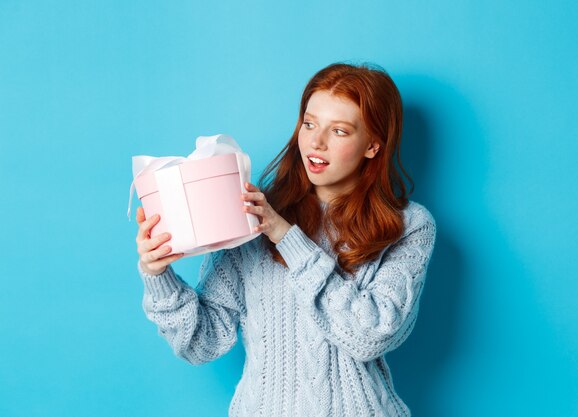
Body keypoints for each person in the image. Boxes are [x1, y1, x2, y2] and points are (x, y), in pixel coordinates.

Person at [135, 62, 437, 417]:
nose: (315, 142)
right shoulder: (252, 215)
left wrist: (287, 238)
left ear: (372, 145)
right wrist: (158, 276)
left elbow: (369, 336)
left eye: (339, 131)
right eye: (309, 124)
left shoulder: (409, 226)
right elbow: (203, 342)